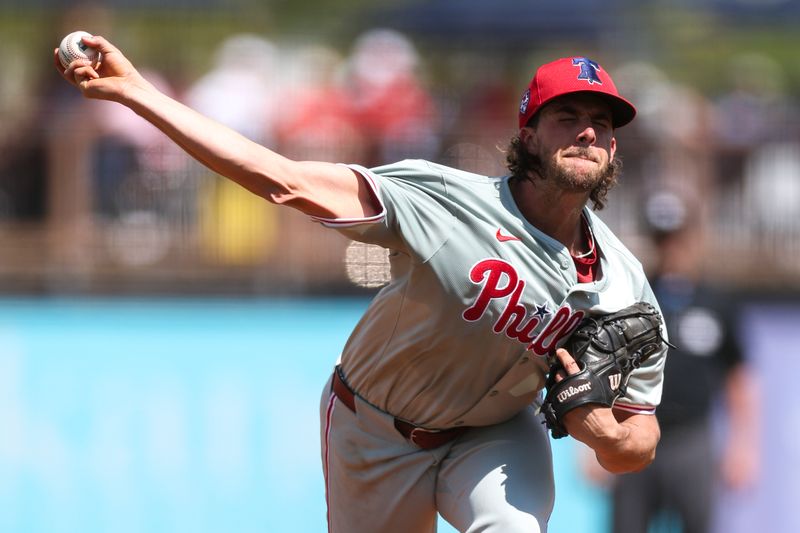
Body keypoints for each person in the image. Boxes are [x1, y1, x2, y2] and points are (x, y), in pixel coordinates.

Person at [56, 36, 667, 532]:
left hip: (497, 433)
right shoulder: (447, 203)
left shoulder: (624, 282)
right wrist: (137, 93)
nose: (588, 132)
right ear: (528, 134)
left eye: (602, 122)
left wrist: (606, 433)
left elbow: (639, 441)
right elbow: (283, 179)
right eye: (567, 117)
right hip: (376, 428)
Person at [602, 190, 759, 533]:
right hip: (635, 432)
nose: (670, 248)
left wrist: (742, 445)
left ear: (692, 237)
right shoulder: (632, 298)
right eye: (662, 239)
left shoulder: (716, 301)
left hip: (692, 438)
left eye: (677, 238)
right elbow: (609, 370)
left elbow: (738, 378)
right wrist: (598, 441)